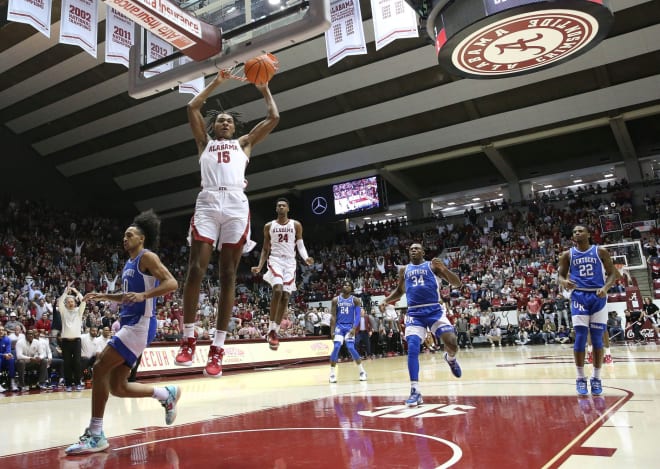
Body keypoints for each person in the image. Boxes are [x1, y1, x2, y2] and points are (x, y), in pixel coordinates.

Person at [174, 69, 279, 377]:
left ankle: (217, 348)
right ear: (214, 125)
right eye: (220, 119)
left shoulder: (244, 144)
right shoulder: (203, 142)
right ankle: (189, 337)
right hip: (208, 201)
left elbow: (273, 117)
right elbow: (192, 107)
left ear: (235, 128)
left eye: (229, 120)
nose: (224, 122)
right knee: (196, 269)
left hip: (234, 203)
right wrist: (216, 83)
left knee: (229, 275)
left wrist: (264, 89)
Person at [65, 210, 180, 455]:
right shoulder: (129, 264)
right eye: (124, 236)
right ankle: (165, 393)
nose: (124, 239)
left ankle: (96, 434)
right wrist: (104, 295)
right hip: (132, 323)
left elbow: (172, 283)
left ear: (142, 238)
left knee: (98, 367)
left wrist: (145, 295)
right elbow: (127, 296)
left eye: (130, 235)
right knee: (118, 386)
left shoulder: (147, 257)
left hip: (140, 323)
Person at [382, 243, 462, 407]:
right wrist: (386, 300)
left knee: (452, 342)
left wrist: (444, 269)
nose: (413, 250)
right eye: (411, 248)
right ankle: (415, 390)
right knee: (412, 347)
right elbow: (399, 291)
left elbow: (457, 283)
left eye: (417, 248)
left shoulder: (432, 265)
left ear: (423, 252)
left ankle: (450, 358)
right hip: (414, 313)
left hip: (434, 311)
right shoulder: (404, 270)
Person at [557, 225, 620, 397]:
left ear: (588, 234)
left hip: (598, 296)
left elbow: (613, 274)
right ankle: (580, 378)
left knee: (598, 339)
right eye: (574, 231)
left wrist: (606, 287)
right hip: (579, 297)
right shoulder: (567, 255)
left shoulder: (600, 251)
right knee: (580, 336)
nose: (577, 233)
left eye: (580, 231)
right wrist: (564, 283)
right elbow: (560, 276)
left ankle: (596, 378)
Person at [251, 198, 313, 350]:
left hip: (290, 263)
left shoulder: (296, 225)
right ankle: (271, 327)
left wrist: (306, 258)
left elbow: (300, 245)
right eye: (278, 205)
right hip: (275, 260)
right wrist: (259, 266)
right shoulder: (269, 226)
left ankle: (274, 332)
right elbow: (265, 249)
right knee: (277, 289)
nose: (280, 207)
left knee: (286, 296)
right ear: (276, 209)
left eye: (283, 205)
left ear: (288, 208)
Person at [328, 281, 367, 383]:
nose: (347, 286)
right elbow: (333, 316)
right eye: (345, 284)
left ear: (351, 288)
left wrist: (354, 328)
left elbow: (358, 315)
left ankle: (362, 371)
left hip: (350, 326)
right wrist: (332, 331)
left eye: (349, 285)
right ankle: (332, 373)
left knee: (350, 347)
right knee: (336, 347)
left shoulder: (355, 300)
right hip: (339, 327)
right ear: (342, 287)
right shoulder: (335, 300)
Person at [59, 281, 87, 391]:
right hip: (65, 341)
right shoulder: (63, 311)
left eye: (72, 301)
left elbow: (84, 301)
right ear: (66, 303)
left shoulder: (78, 311)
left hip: (76, 341)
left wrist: (76, 291)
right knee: (67, 363)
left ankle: (78, 382)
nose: (71, 303)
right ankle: (68, 384)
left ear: (75, 303)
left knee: (77, 362)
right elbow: (60, 301)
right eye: (69, 302)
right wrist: (66, 291)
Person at [0, 324, 19, 392]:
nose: (1, 331)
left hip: (4, 358)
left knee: (11, 359)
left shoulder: (7, 339)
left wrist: (8, 355)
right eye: (0, 330)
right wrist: (4, 355)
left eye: (2, 330)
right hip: (1, 358)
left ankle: (12, 382)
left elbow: (8, 351)